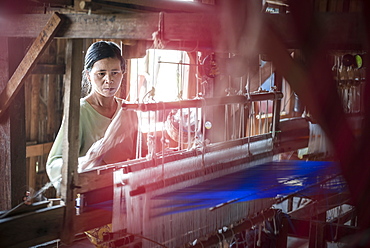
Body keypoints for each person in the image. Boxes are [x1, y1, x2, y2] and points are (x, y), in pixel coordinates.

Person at [46, 41, 138, 193]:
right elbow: (53, 165)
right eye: (101, 74)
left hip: (126, 194)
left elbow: (137, 154)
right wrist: (86, 161)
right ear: (88, 75)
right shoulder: (80, 112)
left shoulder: (129, 110)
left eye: (115, 72)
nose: (109, 80)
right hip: (90, 197)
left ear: (123, 72)